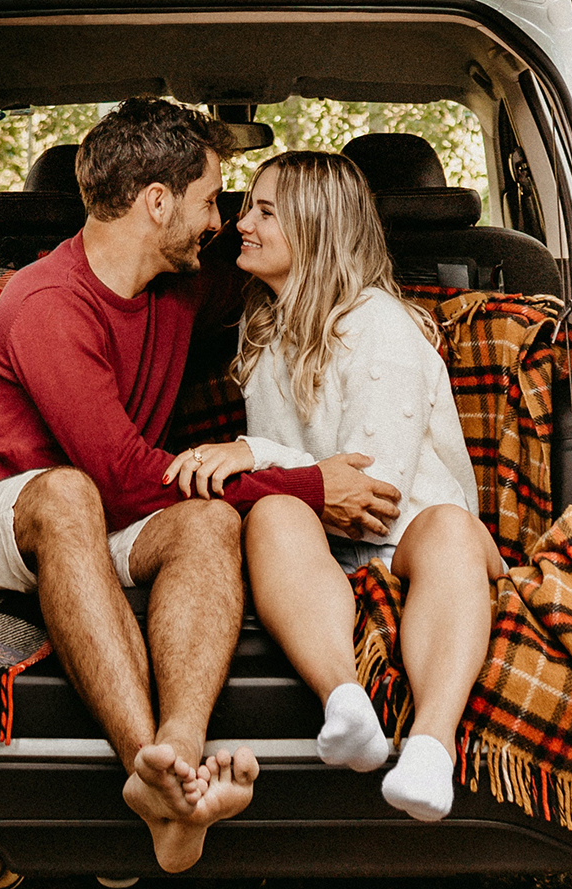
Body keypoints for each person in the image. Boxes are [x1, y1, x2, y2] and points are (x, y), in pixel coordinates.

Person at [0, 101, 402, 872]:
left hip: (101, 510)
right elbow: (121, 478)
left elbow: (308, 265)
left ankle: (178, 753)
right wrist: (306, 484)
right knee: (69, 491)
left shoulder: (185, 283)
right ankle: (152, 776)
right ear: (158, 202)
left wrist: (395, 317)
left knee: (208, 521)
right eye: (212, 199)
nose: (223, 221)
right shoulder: (45, 303)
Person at [164, 151, 502, 822]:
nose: (241, 224)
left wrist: (250, 452)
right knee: (271, 514)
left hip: (409, 531)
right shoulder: (266, 328)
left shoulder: (379, 323)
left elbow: (374, 496)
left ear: (315, 226)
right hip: (327, 542)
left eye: (263, 211)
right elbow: (309, 492)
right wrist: (266, 475)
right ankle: (345, 703)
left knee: (453, 531)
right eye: (245, 208)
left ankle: (432, 747)